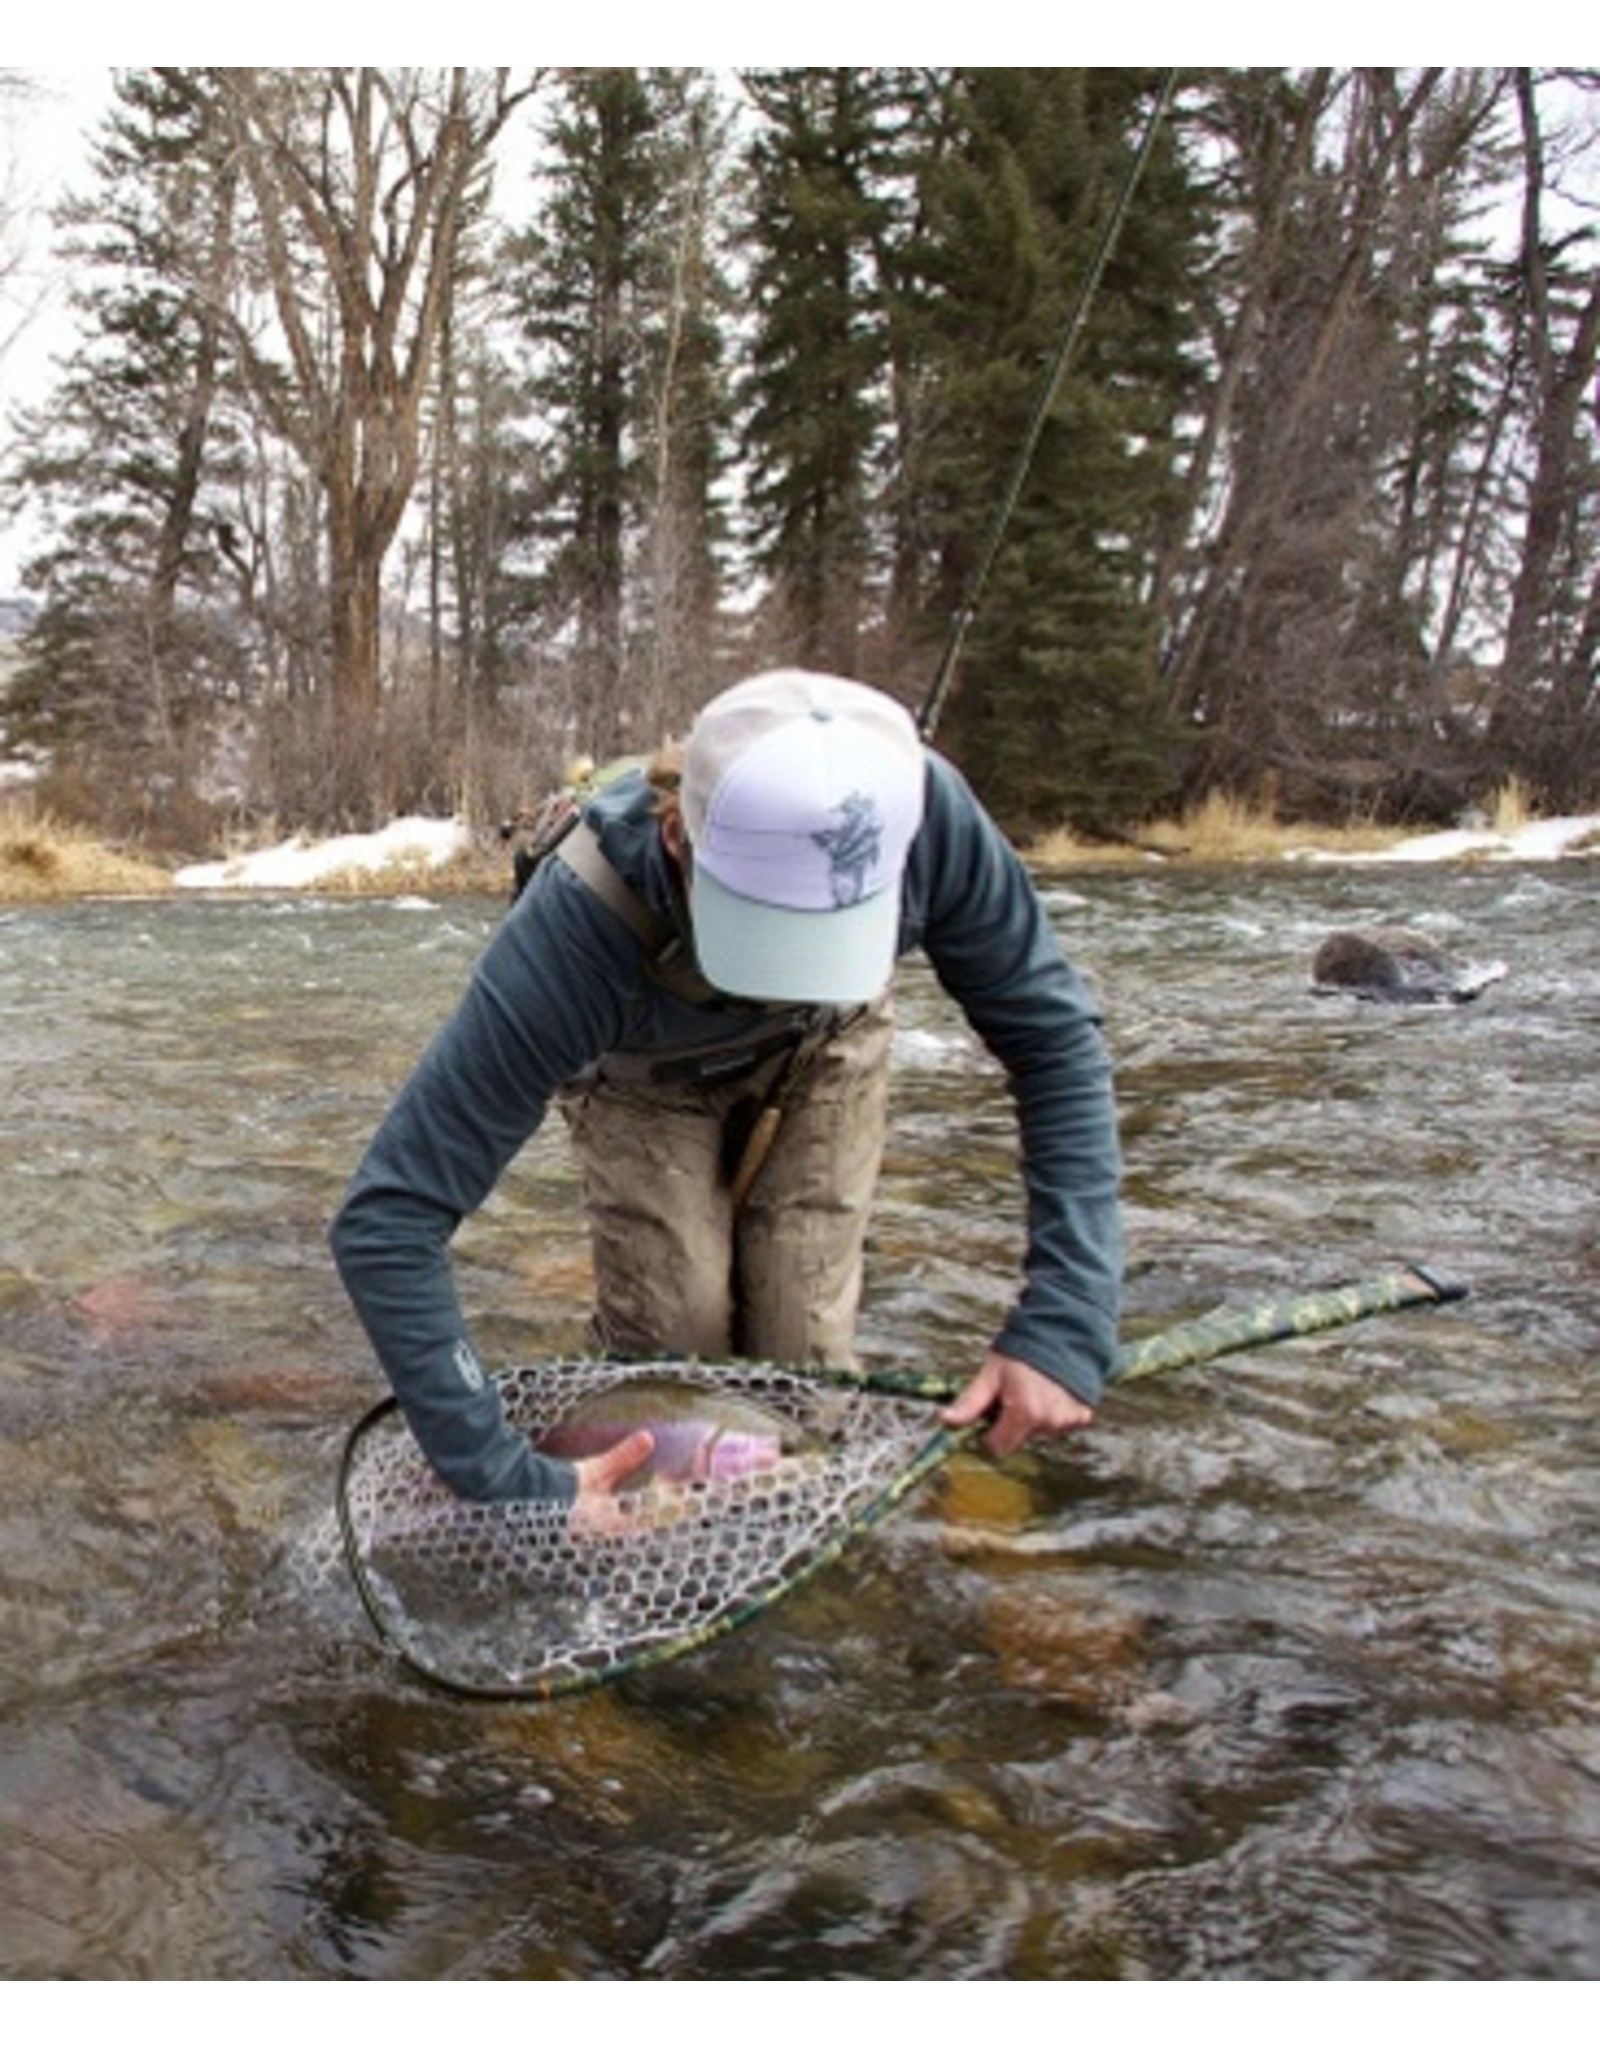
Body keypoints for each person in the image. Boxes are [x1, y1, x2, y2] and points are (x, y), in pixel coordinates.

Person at [329, 669, 1122, 1523]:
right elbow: (390, 1220)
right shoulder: (578, 928)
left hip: (829, 1048)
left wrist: (1066, 1319)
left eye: (819, 937)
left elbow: (1055, 1045)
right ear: (679, 841)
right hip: (643, 1075)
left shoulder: (929, 822)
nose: (787, 971)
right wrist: (507, 1481)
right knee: (680, 1351)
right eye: (771, 932)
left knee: (802, 1367)